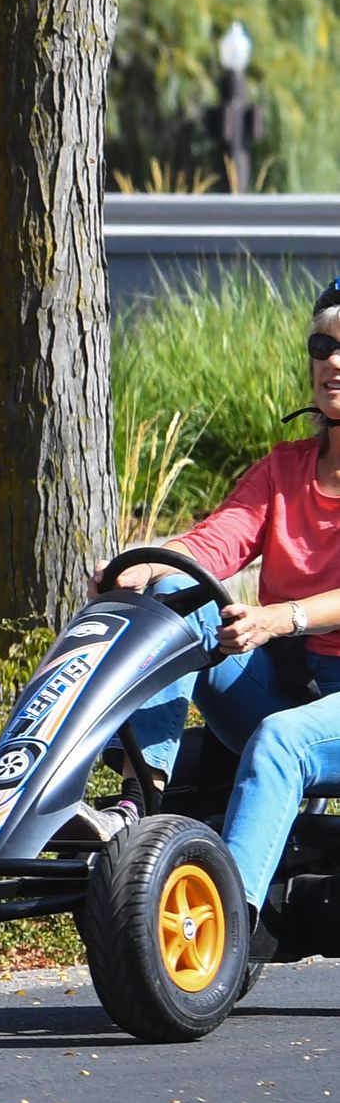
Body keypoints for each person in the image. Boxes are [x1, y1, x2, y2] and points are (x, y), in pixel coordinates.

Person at [109, 277, 340, 944]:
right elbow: (212, 543)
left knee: (280, 742)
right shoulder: (283, 469)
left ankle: (223, 936)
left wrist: (280, 617)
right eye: (322, 345)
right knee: (178, 608)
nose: (332, 360)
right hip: (292, 687)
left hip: (312, 709)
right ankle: (136, 802)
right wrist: (146, 561)